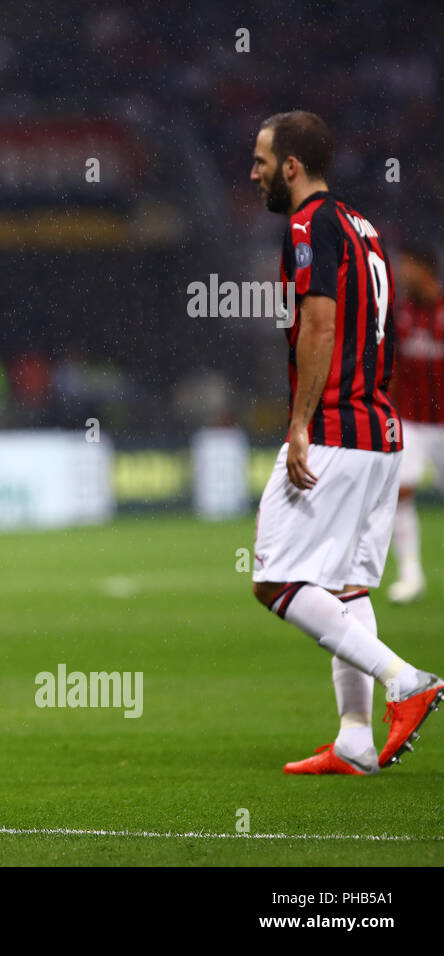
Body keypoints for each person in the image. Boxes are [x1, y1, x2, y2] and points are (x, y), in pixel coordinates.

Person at [247, 110, 442, 775]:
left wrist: (300, 424)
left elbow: (321, 326)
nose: (254, 173)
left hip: (335, 428)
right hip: (380, 430)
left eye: (262, 161)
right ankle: (356, 740)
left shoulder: (309, 226)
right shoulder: (364, 227)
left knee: (275, 579)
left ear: (292, 167)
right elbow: (377, 332)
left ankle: (406, 680)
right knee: (349, 588)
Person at [385, 243, 444, 603]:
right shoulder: (401, 313)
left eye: (408, 266)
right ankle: (410, 574)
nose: (403, 274)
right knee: (399, 491)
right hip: (412, 421)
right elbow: (392, 367)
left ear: (426, 268)